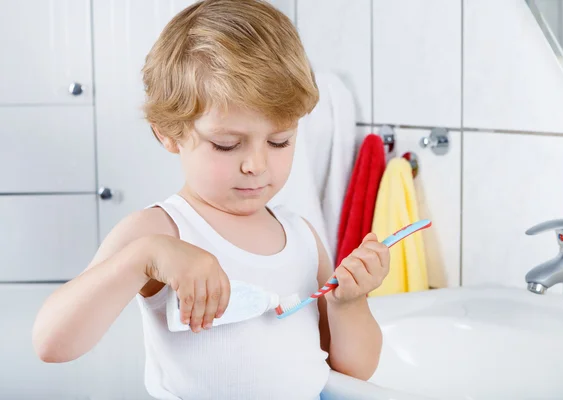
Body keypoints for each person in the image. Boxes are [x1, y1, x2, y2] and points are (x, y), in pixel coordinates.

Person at [32, 1, 390, 398]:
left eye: (279, 141)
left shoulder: (300, 235)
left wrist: (349, 304)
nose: (256, 164)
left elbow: (352, 370)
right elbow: (51, 343)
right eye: (227, 145)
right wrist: (145, 257)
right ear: (167, 133)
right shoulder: (161, 230)